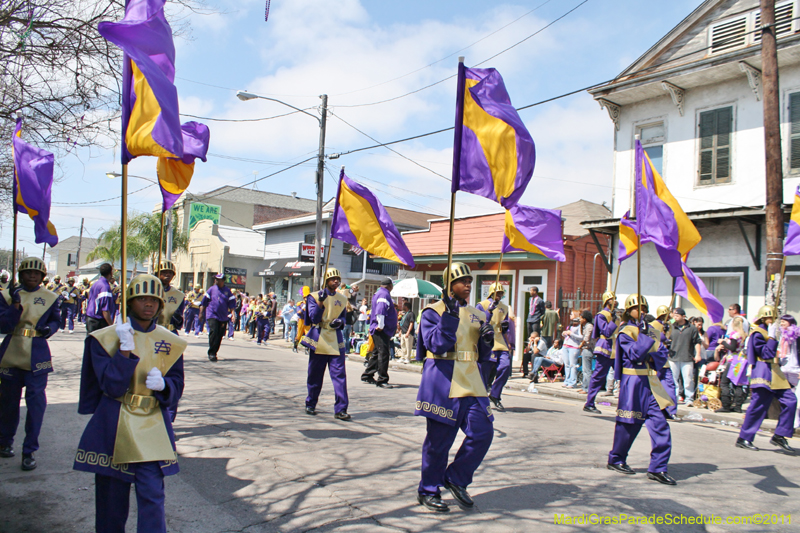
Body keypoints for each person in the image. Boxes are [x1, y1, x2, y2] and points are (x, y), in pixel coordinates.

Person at [74, 274, 186, 533]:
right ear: (130, 301)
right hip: (115, 422)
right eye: (141, 298)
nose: (148, 304)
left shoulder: (171, 341)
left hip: (151, 425)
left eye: (154, 299)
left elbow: (177, 384)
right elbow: (111, 386)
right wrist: (124, 351)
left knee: (153, 496)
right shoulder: (105, 339)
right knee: (111, 502)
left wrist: (165, 386)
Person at [415, 262, 495, 513]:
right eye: (462, 281)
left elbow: (481, 356)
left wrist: (487, 341)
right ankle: (428, 489)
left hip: (472, 382)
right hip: (443, 380)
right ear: (449, 285)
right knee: (439, 442)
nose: (468, 285)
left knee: (483, 432)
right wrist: (449, 318)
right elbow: (436, 345)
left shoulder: (478, 314)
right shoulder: (432, 312)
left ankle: (456, 478)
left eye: (470, 281)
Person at [607, 294, 676, 486]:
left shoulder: (650, 330)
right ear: (630, 311)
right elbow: (635, 354)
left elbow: (661, 354)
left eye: (644, 307)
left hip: (652, 382)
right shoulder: (624, 332)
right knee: (628, 424)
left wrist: (651, 348)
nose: (643, 311)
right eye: (638, 308)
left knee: (660, 424)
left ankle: (658, 467)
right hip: (633, 381)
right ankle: (617, 458)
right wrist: (646, 340)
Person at [0, 257, 61, 471]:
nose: (32, 276)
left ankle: (29, 450)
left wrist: (49, 330)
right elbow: (3, 325)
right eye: (28, 273)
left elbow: (56, 320)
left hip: (37, 355)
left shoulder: (50, 297)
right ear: (20, 275)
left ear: (43, 276)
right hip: (11, 352)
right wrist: (15, 305)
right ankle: (5, 441)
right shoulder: (7, 295)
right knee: (7, 403)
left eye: (36, 273)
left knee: (36, 404)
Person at [736, 306, 797, 453]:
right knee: (758, 406)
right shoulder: (757, 333)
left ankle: (780, 434)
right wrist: (771, 338)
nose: (773, 320)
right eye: (770, 318)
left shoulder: (771, 331)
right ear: (763, 318)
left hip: (775, 371)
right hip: (763, 372)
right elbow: (766, 352)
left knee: (790, 401)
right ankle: (745, 437)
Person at [301, 268, 350, 420]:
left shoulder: (342, 299)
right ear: (326, 280)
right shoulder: (314, 296)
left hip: (335, 339)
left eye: (338, 278)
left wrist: (340, 322)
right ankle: (311, 403)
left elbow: (344, 319)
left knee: (339, 376)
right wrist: (320, 302)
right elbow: (314, 318)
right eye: (332, 278)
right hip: (319, 338)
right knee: (315, 375)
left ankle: (341, 408)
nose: (335, 281)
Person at [476, 282, 511, 411]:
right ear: (491, 293)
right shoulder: (482, 305)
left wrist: (506, 328)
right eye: (498, 293)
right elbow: (477, 322)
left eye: (501, 293)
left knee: (505, 366)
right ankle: (482, 399)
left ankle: (495, 395)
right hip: (487, 342)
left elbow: (505, 326)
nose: (500, 295)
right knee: (485, 372)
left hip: (501, 341)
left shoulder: (504, 307)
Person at [584, 292, 618, 414]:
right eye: (612, 299)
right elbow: (606, 332)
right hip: (605, 348)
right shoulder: (602, 315)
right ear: (607, 301)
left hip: (616, 348)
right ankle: (589, 403)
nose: (615, 301)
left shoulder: (616, 315)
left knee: (624, 376)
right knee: (598, 377)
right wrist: (613, 320)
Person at [362, 278, 398, 388]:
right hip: (381, 329)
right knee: (383, 353)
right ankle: (382, 379)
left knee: (377, 352)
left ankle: (367, 374)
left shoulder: (379, 293)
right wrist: (381, 325)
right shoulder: (384, 294)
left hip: (379, 328)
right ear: (390, 286)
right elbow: (381, 310)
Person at [667, 307, 702, 405]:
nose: (675, 317)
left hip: (687, 357)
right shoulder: (671, 327)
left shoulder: (692, 328)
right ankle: (674, 397)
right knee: (673, 379)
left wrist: (698, 354)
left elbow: (697, 342)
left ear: (683, 316)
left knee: (688, 379)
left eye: (677, 315)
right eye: (674, 315)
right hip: (673, 357)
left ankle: (689, 398)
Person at [650, 306, 678, 419]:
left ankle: (671, 410)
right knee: (654, 386)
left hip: (665, 360)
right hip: (656, 359)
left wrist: (667, 331)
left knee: (670, 384)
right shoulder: (653, 324)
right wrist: (662, 335)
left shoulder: (668, 325)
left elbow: (668, 337)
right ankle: (656, 408)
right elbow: (653, 339)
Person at [199, 273, 235, 362]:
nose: (217, 281)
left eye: (219, 280)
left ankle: (214, 352)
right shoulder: (211, 289)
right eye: (216, 279)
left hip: (223, 317)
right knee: (213, 332)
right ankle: (211, 352)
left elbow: (232, 304)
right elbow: (204, 302)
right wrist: (201, 313)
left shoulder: (227, 291)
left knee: (219, 335)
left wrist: (233, 314)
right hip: (212, 314)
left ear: (223, 281)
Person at [776, 315, 800, 428]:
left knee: (795, 395)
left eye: (784, 322)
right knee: (786, 394)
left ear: (790, 322)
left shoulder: (796, 334)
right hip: (784, 366)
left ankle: (796, 419)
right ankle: (787, 420)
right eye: (781, 322)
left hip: (795, 367)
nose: (782, 324)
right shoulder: (782, 335)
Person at [85, 263, 117, 335]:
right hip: (98, 321)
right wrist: (111, 326)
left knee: (90, 344)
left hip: (90, 318)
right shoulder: (105, 287)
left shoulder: (96, 284)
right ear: (111, 273)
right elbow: (105, 310)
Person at [156, 260, 185, 336]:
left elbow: (179, 318)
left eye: (170, 273)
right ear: (157, 274)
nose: (168, 275)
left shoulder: (178, 295)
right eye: (164, 272)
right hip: (152, 330)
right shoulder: (150, 290)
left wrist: (177, 317)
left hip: (170, 332)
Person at [562, 316, 582, 389]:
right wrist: (564, 333)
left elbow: (581, 337)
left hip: (573, 347)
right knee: (566, 364)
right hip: (565, 345)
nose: (570, 315)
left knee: (572, 365)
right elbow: (566, 335)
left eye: (571, 314)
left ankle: (573, 382)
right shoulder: (570, 325)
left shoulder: (579, 327)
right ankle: (566, 380)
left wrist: (571, 334)